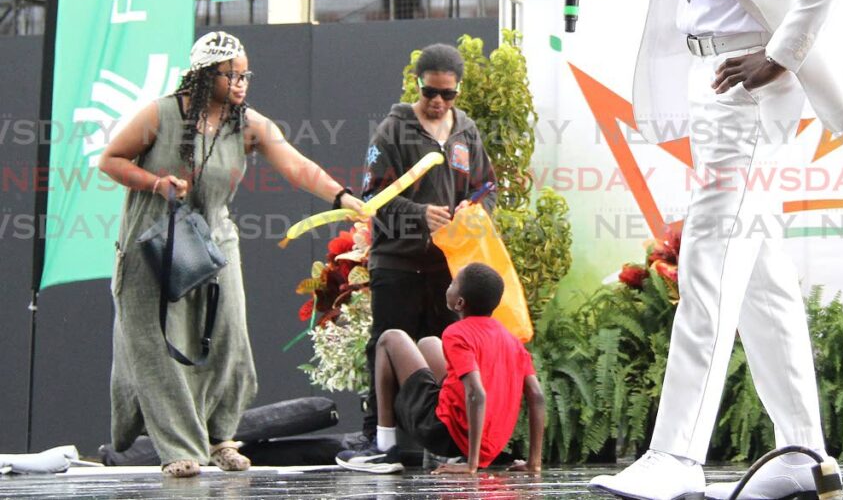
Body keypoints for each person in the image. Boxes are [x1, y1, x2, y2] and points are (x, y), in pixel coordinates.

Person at [557, 0, 843, 500]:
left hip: (752, 91)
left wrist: (782, 52)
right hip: (711, 89)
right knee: (760, 280)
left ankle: (677, 457)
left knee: (709, 260)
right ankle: (803, 454)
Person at [99, 31, 366, 478]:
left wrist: (342, 197)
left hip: (213, 239)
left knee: (228, 338)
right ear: (206, 75)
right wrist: (156, 183)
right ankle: (179, 449)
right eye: (232, 74)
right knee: (155, 347)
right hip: (153, 240)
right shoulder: (160, 115)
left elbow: (298, 165)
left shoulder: (250, 124)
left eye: (246, 74)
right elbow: (110, 160)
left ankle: (221, 436)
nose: (242, 82)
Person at [344, 42, 498, 459]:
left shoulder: (466, 131)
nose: (437, 102)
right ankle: (377, 435)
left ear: (458, 93)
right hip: (398, 261)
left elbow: (487, 187)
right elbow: (371, 197)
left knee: (448, 348)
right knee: (387, 345)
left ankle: (446, 436)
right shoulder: (392, 131)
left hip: (449, 267)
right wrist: (418, 214)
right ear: (418, 85)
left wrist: (475, 208)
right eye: (430, 92)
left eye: (447, 94)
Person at [337, 262, 544, 475]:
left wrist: (472, 465)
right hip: (485, 443)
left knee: (390, 338)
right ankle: (456, 454)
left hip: (443, 434)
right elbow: (536, 395)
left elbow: (476, 393)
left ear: (460, 303)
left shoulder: (458, 333)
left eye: (453, 283)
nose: (449, 286)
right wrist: (534, 462)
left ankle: (384, 448)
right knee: (429, 343)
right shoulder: (511, 340)